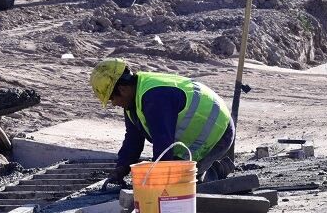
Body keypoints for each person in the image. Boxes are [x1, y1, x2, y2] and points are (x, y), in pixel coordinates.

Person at [89, 58, 236, 185]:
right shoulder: (133, 101)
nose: (113, 104)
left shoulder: (155, 98)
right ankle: (208, 168)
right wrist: (121, 168)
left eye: (112, 99)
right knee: (173, 174)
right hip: (198, 135)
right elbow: (133, 140)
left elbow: (163, 144)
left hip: (218, 132)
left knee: (182, 183)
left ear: (122, 89)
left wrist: (156, 180)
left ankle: (217, 170)